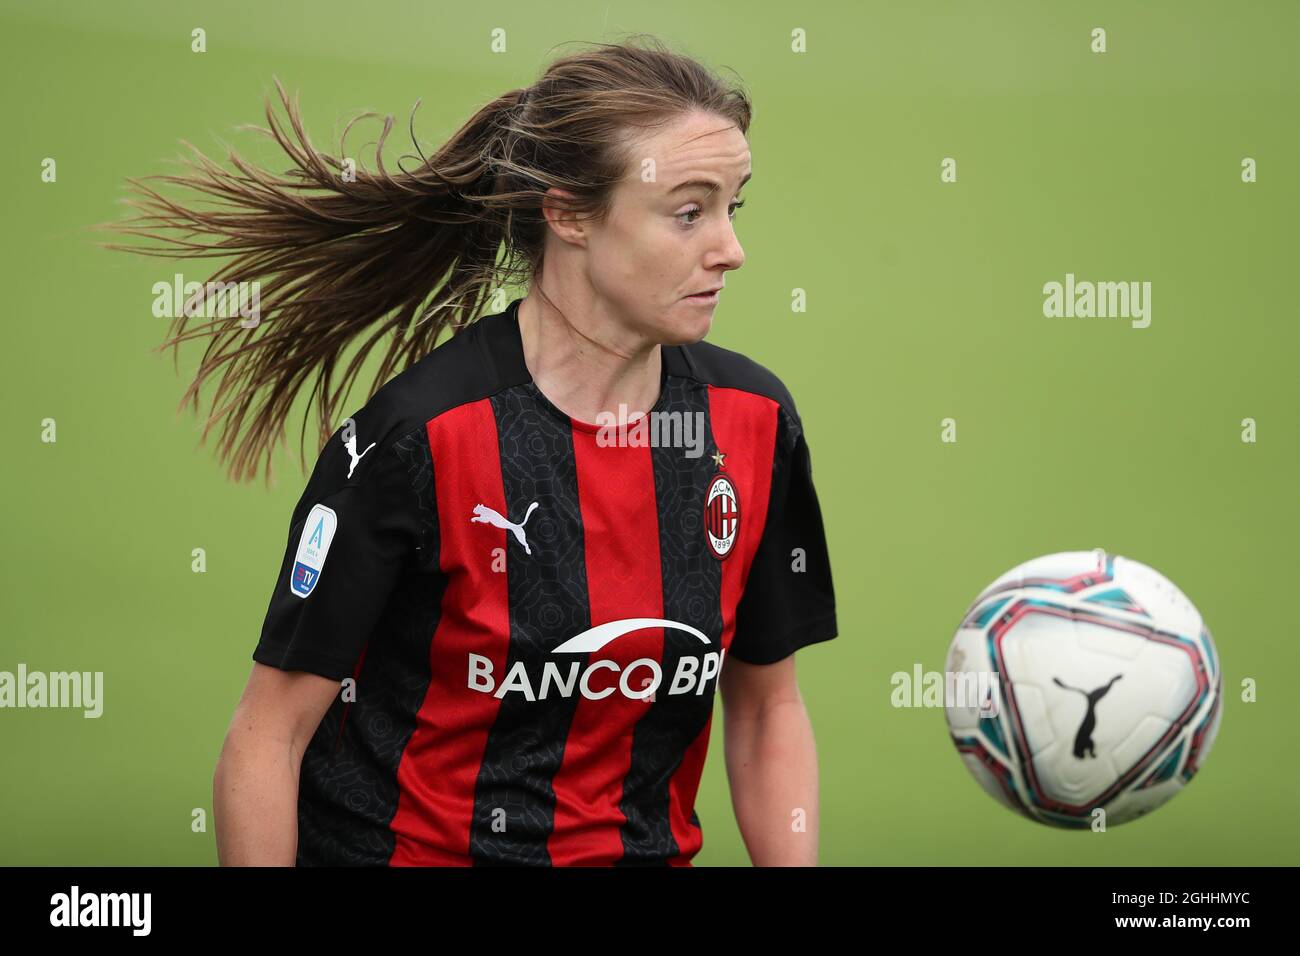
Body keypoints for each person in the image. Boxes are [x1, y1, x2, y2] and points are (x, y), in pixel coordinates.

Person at [111, 37, 837, 865]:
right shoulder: (419, 438)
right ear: (566, 214)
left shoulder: (752, 423)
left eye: (731, 208)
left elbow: (767, 709)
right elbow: (267, 739)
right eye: (688, 211)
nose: (729, 249)